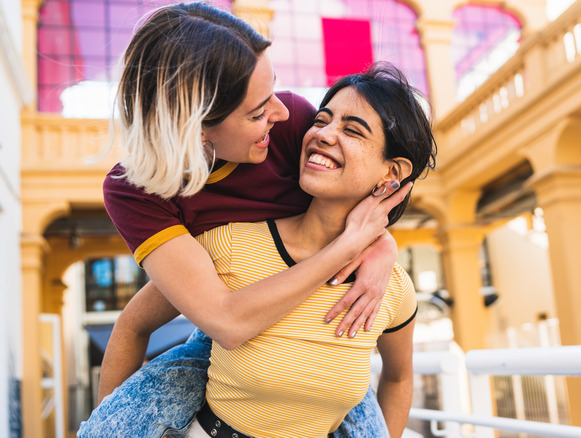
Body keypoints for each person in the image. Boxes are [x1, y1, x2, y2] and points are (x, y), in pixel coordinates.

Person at [78, 3, 410, 437]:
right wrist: (350, 246)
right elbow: (223, 320)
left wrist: (381, 242)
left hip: (322, 341)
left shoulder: (290, 129)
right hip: (227, 329)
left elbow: (363, 175)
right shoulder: (134, 191)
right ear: (195, 127)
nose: (284, 112)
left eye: (273, 89)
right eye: (256, 112)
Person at [185, 63, 436, 437]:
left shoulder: (392, 289)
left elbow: (399, 379)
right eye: (321, 120)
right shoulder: (228, 242)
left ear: (392, 172)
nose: (323, 134)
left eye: (352, 130)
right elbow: (135, 324)